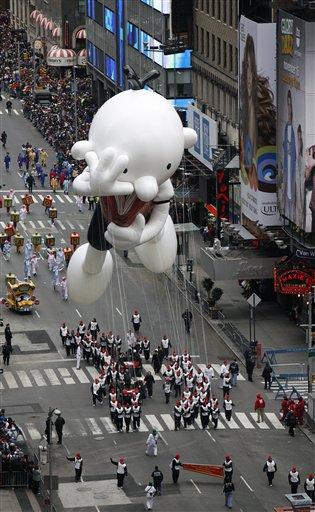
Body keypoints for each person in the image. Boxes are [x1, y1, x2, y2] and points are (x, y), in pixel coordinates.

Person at [282, 90, 296, 221]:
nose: (289, 109)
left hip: (294, 177)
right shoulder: (286, 128)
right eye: (288, 105)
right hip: (287, 177)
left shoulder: (295, 130)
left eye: (291, 105)